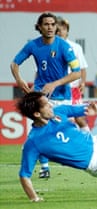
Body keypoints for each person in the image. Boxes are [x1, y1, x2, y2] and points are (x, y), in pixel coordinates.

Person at [10, 12, 81, 179]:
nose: (50, 27)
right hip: (41, 94)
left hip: (62, 95)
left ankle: (77, 154)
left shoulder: (64, 46)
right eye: (46, 24)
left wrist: (55, 83)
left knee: (61, 129)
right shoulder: (32, 46)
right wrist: (19, 80)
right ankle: (44, 166)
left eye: (52, 24)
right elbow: (14, 63)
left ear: (56, 27)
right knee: (40, 127)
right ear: (39, 27)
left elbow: (77, 73)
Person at [56, 16, 90, 132]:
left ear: (67, 31)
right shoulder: (49, 48)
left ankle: (88, 141)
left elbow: (82, 68)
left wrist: (83, 83)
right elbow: (39, 71)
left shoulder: (76, 47)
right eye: (58, 30)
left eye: (63, 29)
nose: (60, 32)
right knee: (62, 120)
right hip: (57, 91)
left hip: (73, 89)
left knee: (80, 118)